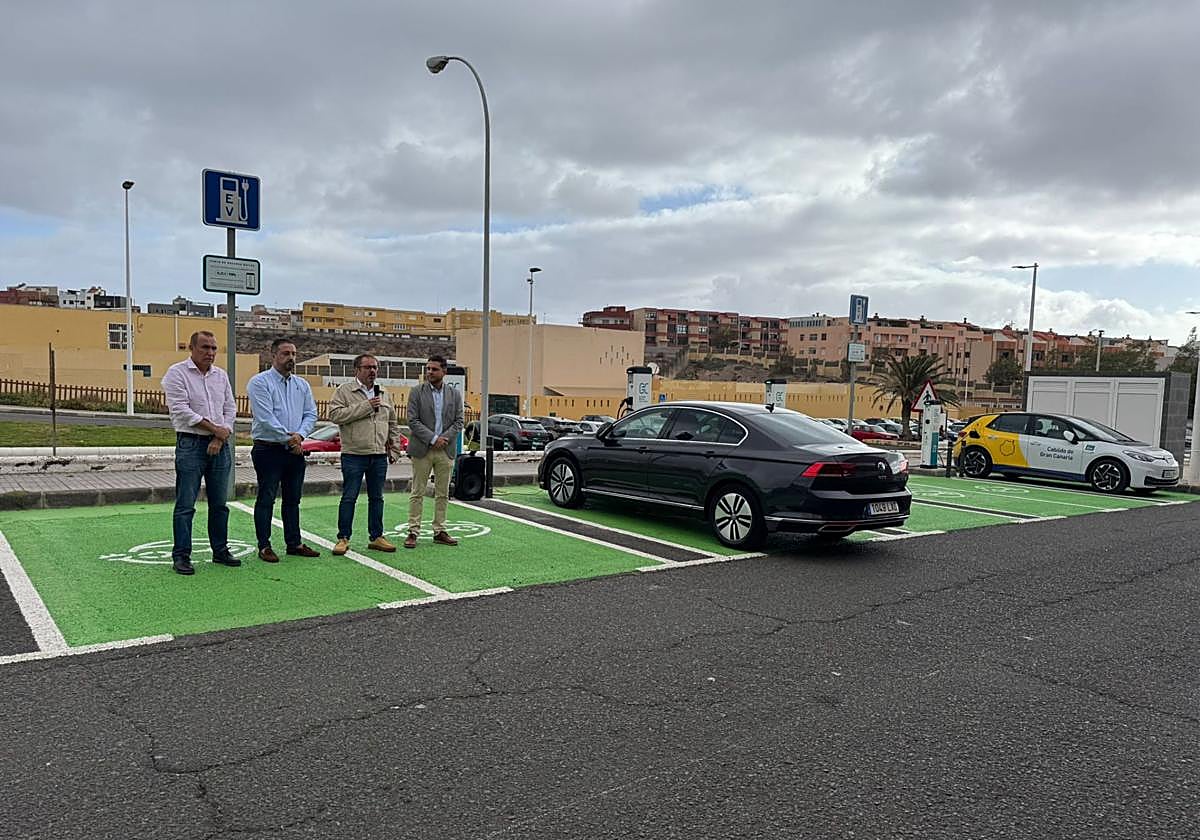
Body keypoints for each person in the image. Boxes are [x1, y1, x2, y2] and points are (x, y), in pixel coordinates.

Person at [161, 331, 238, 576]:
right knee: (186, 504)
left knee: (220, 504)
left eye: (214, 348)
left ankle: (220, 550)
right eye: (205, 347)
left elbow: (230, 407)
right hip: (191, 445)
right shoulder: (177, 373)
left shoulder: (221, 376)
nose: (210, 353)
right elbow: (181, 410)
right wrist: (215, 429)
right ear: (192, 348)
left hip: (220, 445)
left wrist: (218, 435)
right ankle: (181, 555)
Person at [246, 338, 320, 562]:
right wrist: (290, 440)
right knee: (267, 497)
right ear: (273, 355)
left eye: (294, 354)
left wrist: (300, 436)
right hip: (268, 450)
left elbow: (311, 414)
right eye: (286, 353)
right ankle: (264, 545)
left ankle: (294, 543)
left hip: (294, 450)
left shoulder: (302, 385)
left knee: (293, 500)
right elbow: (266, 418)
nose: (291, 358)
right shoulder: (260, 383)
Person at [328, 353, 405, 555]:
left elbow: (392, 424)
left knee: (377, 497)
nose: (372, 371)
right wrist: (366, 406)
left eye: (375, 368)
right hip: (354, 454)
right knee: (349, 497)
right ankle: (343, 538)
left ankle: (377, 536)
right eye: (368, 367)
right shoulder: (344, 391)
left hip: (378, 455)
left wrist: (395, 449)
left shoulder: (384, 393)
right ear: (357, 370)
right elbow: (336, 416)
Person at [405, 354, 464, 548]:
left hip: (445, 450)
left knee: (442, 493)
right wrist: (432, 438)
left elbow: (459, 421)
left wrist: (443, 439)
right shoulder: (416, 392)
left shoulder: (454, 395)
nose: (430, 372)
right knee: (418, 492)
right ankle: (413, 531)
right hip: (423, 449)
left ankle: (440, 530)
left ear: (444, 372)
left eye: (434, 369)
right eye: (428, 369)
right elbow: (412, 421)